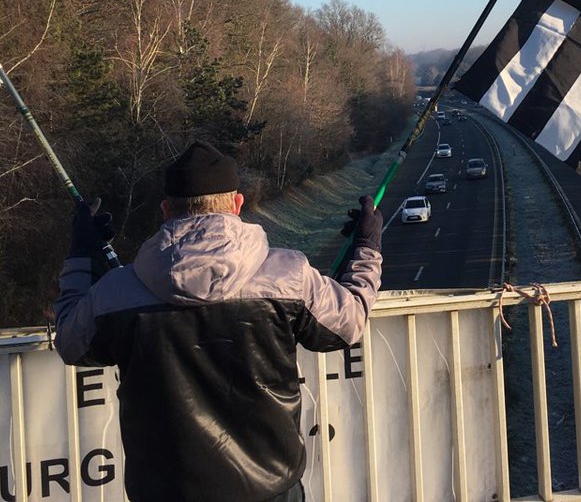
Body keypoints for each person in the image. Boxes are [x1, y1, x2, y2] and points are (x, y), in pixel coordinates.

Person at [54, 140, 382, 502]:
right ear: (238, 204)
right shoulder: (289, 275)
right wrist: (366, 245)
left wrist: (81, 255)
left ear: (166, 210)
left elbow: (71, 342)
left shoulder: (116, 293)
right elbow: (349, 322)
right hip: (271, 490)